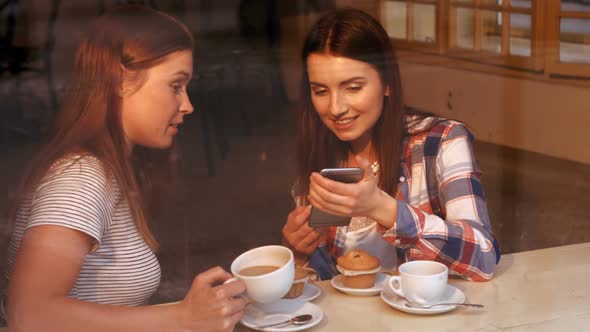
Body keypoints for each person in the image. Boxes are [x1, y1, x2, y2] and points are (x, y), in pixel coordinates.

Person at [0, 6, 246, 331]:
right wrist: (183, 317)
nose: (187, 105)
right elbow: (27, 315)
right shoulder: (80, 178)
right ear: (120, 80)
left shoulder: (112, 167)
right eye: (175, 86)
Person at [281, 8, 500, 282]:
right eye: (321, 91)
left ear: (386, 83)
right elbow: (329, 281)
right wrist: (300, 252)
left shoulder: (441, 141)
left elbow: (484, 257)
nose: (335, 108)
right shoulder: (320, 156)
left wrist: (382, 208)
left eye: (353, 87)